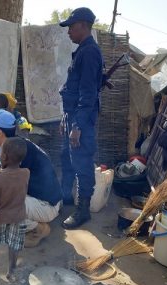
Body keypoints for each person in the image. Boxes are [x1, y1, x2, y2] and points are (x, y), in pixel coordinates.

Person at [0, 110, 62, 247]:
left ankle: (38, 229)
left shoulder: (17, 151)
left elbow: (6, 184)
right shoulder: (15, 145)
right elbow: (1, 174)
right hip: (43, 199)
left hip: (47, 206)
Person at [59, 8, 103, 229]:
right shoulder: (83, 51)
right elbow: (73, 89)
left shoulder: (89, 53)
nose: (68, 31)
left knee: (82, 162)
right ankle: (66, 197)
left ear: (84, 26)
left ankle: (82, 210)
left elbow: (88, 94)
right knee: (67, 158)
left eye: (71, 26)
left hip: (81, 119)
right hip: (73, 115)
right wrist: (65, 119)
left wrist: (77, 125)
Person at [0, 137, 29, 279]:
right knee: (14, 244)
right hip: (18, 216)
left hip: (0, 217)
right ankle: (11, 270)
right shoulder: (26, 173)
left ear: (3, 156)